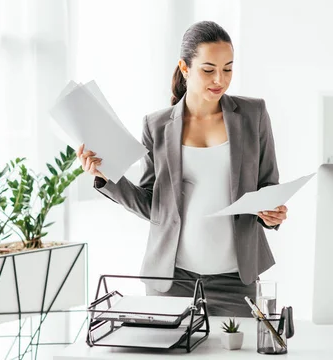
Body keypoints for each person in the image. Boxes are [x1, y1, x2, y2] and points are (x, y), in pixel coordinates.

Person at [77, 21, 287, 317]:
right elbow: (152, 204)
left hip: (235, 281)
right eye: (208, 69)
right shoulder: (157, 125)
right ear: (185, 68)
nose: (220, 79)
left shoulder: (253, 115)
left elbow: (268, 185)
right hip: (171, 280)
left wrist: (271, 212)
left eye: (228, 68)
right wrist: (106, 178)